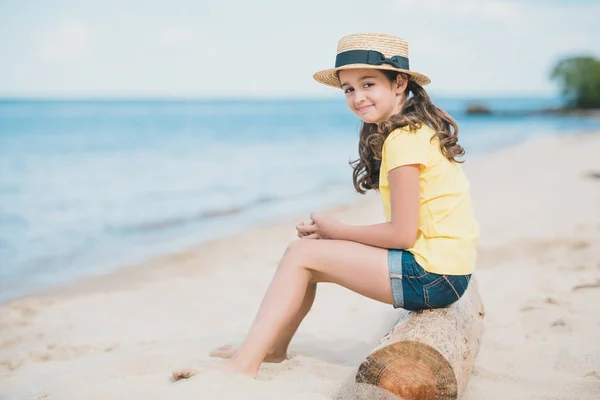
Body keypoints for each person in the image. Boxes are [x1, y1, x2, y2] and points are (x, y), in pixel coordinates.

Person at [172, 32, 479, 381]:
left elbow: (404, 234)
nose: (357, 97)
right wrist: (331, 236)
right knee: (307, 255)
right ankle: (270, 349)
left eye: (368, 84)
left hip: (433, 277)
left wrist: (337, 230)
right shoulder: (413, 130)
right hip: (448, 270)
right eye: (348, 89)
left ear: (399, 83)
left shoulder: (404, 141)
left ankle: (244, 365)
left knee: (302, 254)